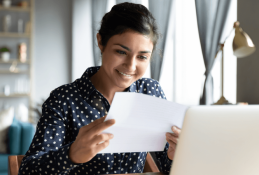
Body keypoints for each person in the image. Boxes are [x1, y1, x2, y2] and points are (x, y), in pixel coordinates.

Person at [18, 2, 181, 175]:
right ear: (101, 42)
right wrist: (70, 155)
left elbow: (167, 166)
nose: (131, 66)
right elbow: (28, 170)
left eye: (142, 56)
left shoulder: (150, 92)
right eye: (121, 52)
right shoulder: (64, 99)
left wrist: (175, 156)